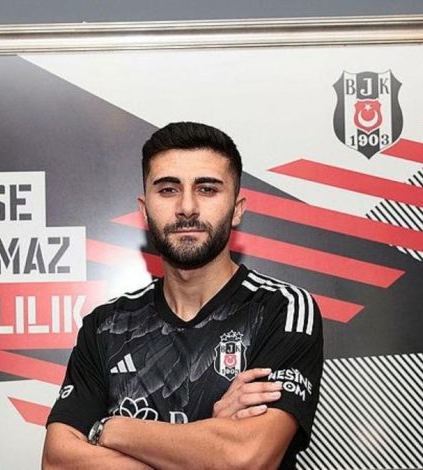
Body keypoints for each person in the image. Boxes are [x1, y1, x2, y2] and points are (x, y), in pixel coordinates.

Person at [43, 122, 323, 469]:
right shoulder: (106, 325)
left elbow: (247, 458)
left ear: (237, 208)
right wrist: (212, 440)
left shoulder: (282, 309)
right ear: (144, 210)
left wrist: (110, 428)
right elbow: (58, 461)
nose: (187, 207)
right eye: (168, 190)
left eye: (207, 189)